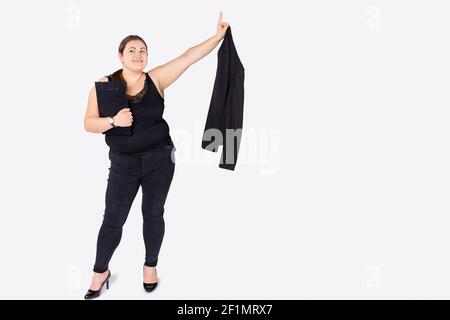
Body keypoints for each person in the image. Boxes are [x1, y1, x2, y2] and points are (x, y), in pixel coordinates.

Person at [83, 12, 229, 299]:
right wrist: (113, 121)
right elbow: (88, 123)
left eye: (143, 50)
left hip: (160, 160)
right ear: (120, 56)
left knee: (153, 214)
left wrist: (217, 37)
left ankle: (150, 266)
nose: (138, 55)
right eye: (132, 51)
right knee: (113, 219)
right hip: (123, 165)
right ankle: (100, 270)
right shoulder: (105, 84)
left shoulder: (156, 79)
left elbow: (188, 57)